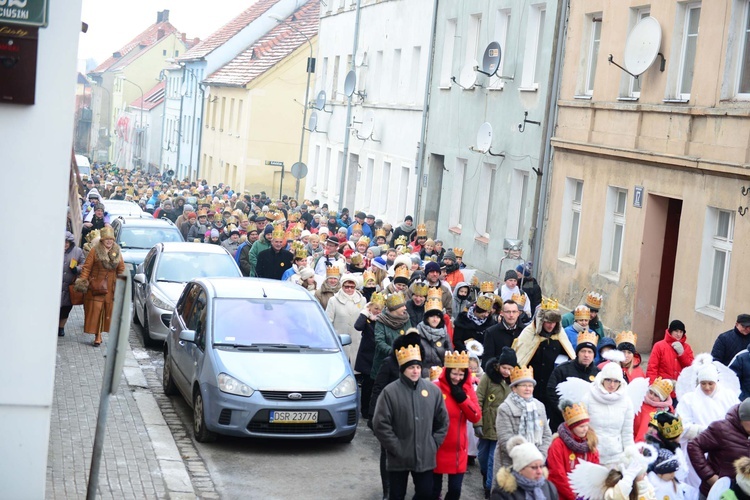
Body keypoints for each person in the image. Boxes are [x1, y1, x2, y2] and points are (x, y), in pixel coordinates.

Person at [372, 337, 449, 500]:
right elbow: (380, 424)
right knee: (397, 495)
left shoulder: (432, 391)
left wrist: (434, 443)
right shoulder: (390, 392)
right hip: (398, 457)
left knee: (426, 493)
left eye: (417, 367)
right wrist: (395, 447)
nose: (415, 371)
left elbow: (442, 420)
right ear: (402, 369)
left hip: (425, 456)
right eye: (411, 368)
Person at [675, 353, 742, 489]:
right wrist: (702, 431)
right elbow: (680, 426)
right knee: (695, 486)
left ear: (716, 381)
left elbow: (739, 420)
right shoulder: (689, 399)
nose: (707, 387)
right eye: (703, 383)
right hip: (696, 449)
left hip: (723, 450)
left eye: (710, 383)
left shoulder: (729, 396)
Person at [433, 351, 482, 500]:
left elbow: (476, 416)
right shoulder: (435, 387)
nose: (457, 378)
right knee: (433, 491)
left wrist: (463, 400)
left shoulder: (467, 390)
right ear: (447, 371)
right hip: (437, 445)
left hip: (457, 449)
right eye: (454, 373)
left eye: (461, 375)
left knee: (455, 491)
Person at [513, 299, 575, 418]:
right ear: (541, 321)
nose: (551, 325)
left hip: (551, 388)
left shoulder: (560, 336)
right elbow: (520, 360)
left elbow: (570, 359)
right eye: (548, 322)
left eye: (554, 322)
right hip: (531, 387)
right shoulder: (529, 334)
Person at [492, 365, 552, 485]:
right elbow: (505, 440)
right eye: (524, 385)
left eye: (530, 386)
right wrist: (527, 459)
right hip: (510, 463)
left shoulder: (539, 406)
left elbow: (546, 435)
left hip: (536, 465)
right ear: (514, 388)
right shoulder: (505, 408)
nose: (528, 389)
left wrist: (539, 457)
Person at [73, 226, 125, 346]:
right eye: (107, 239)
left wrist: (122, 284)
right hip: (96, 286)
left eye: (111, 239)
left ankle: (101, 332)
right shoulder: (95, 251)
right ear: (102, 239)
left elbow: (121, 269)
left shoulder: (117, 251)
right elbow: (87, 267)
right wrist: (83, 281)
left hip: (110, 288)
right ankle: (98, 335)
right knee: (97, 310)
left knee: (106, 311)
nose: (109, 241)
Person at [687, 399, 750, 498]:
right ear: (742, 418)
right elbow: (694, 446)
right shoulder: (721, 429)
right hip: (715, 493)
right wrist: (710, 476)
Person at [580, 361, 638, 466]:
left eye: (616, 381)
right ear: (602, 379)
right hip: (592, 455)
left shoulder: (627, 401)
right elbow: (581, 430)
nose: (612, 385)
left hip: (616, 457)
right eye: (608, 380)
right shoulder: (588, 398)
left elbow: (627, 433)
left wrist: (631, 456)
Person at [475, 348, 516, 498]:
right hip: (486, 422)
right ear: (498, 365)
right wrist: (477, 422)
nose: (506, 372)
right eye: (504, 368)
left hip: (502, 426)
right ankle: (485, 474)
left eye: (510, 369)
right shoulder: (488, 377)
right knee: (483, 456)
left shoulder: (514, 382)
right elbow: (478, 398)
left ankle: (489, 487)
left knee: (494, 458)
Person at [546, 330, 600, 430]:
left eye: (590, 352)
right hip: (561, 422)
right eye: (583, 351)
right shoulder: (562, 370)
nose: (586, 355)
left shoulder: (599, 374)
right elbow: (551, 392)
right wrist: (565, 412)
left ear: (594, 355)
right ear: (577, 353)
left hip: (587, 425)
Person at [546, 401, 599, 500]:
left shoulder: (590, 443)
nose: (585, 429)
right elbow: (557, 474)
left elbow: (594, 470)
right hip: (562, 495)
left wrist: (588, 493)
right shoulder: (558, 445)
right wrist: (573, 496)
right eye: (581, 426)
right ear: (572, 427)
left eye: (587, 425)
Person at [491, 436, 559, 500]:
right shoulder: (503, 493)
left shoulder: (549, 487)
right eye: (534, 467)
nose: (540, 471)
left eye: (541, 466)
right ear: (520, 469)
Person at [646, 320, 694, 401]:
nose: (678, 334)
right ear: (670, 331)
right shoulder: (659, 346)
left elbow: (691, 367)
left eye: (681, 331)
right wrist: (653, 389)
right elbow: (652, 368)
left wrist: (682, 354)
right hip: (661, 391)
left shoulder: (687, 348)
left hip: (679, 391)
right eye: (676, 331)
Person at [354, 293, 385, 419]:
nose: (378, 311)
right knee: (367, 385)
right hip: (367, 356)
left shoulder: (383, 320)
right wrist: (364, 313)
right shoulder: (366, 319)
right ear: (370, 308)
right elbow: (357, 326)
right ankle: (365, 410)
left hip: (378, 356)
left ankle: (375, 408)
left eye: (380, 308)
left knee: (376, 384)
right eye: (375, 308)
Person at [326, 274, 367, 368]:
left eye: (352, 287)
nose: (349, 289)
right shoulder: (333, 300)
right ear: (342, 286)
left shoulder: (362, 300)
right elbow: (328, 321)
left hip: (357, 340)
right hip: (340, 340)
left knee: (355, 366)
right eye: (347, 286)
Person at [371, 293, 413, 381]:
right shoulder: (381, 320)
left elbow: (409, 337)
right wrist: (393, 352)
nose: (405, 308)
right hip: (384, 362)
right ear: (395, 308)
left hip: (403, 361)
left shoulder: (406, 319)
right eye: (402, 306)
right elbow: (379, 341)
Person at [416, 291, 453, 378]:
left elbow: (450, 358)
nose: (435, 320)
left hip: (442, 376)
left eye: (438, 317)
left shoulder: (445, 335)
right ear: (427, 318)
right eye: (432, 316)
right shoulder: (417, 335)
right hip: (423, 376)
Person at [483, 300, 525, 370]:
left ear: (518, 313)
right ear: (502, 313)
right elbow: (488, 359)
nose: (511, 315)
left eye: (514, 312)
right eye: (508, 312)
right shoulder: (491, 332)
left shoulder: (525, 331)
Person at [633, 378, 675, 443]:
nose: (652, 396)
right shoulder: (640, 402)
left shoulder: (665, 412)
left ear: (662, 399)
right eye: (651, 392)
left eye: (656, 395)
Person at [60, 231, 85, 337]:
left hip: (69, 284)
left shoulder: (78, 251)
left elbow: (83, 264)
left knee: (66, 309)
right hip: (55, 285)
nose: (65, 244)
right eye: (63, 242)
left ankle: (61, 327)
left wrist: (77, 269)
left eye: (67, 242)